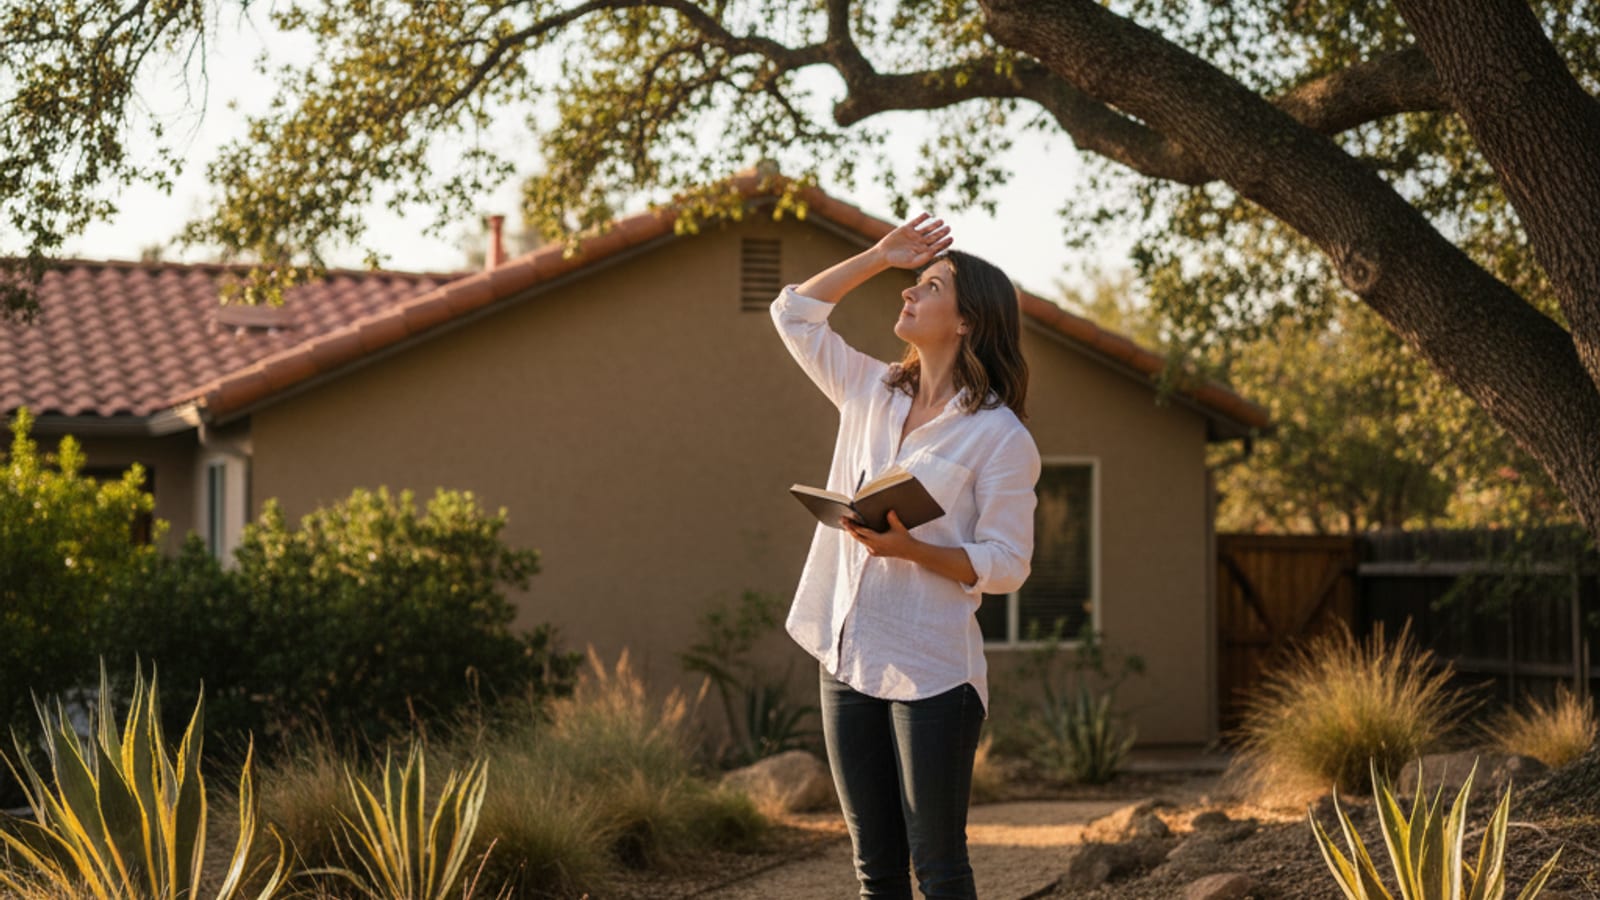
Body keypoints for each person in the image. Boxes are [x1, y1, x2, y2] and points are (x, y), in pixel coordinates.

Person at [770, 213, 1041, 899]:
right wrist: (877, 256)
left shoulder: (999, 436)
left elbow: (1008, 564)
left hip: (934, 673)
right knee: (876, 874)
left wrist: (912, 549)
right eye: (910, 282)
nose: (905, 293)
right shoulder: (871, 392)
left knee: (939, 870)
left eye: (927, 285)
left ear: (967, 321)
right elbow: (795, 313)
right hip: (847, 652)